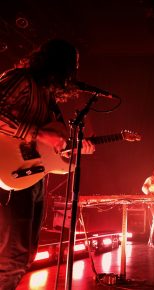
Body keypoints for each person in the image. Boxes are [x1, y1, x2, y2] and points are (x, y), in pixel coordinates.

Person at [0, 39, 95, 290]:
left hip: (32, 177)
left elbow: (47, 147)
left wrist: (75, 147)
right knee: (13, 256)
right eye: (72, 66)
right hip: (7, 174)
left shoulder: (47, 97)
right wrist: (39, 133)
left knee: (26, 254)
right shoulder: (21, 79)